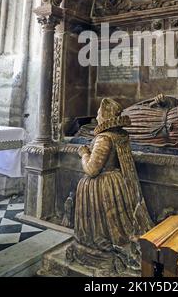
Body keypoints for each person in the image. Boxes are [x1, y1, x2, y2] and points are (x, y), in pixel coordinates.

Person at [67, 98, 152, 272]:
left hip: (102, 187)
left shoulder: (104, 139)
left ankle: (99, 245)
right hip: (116, 182)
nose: (97, 116)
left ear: (105, 115)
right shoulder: (120, 134)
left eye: (99, 113)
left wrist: (84, 153)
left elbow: (91, 169)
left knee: (103, 233)